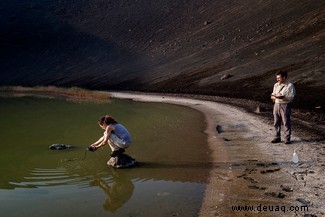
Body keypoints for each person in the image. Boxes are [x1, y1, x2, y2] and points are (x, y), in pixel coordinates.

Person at [271, 71, 296, 144]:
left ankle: (287, 139)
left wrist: (282, 97)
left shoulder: (290, 86)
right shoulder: (276, 85)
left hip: (285, 105)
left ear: (284, 77)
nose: (277, 79)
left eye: (279, 78)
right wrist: (276, 97)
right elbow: (272, 96)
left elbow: (291, 97)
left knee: (286, 122)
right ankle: (277, 137)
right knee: (276, 122)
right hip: (276, 105)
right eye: (277, 78)